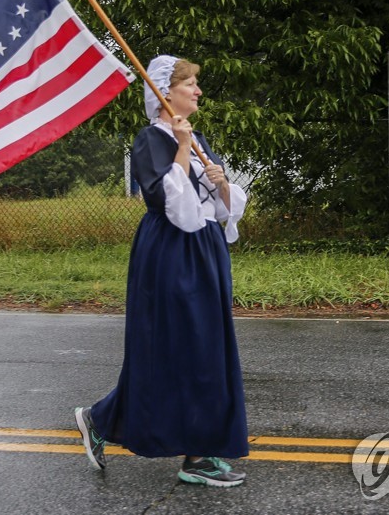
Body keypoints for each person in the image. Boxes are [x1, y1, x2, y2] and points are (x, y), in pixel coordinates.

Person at [75, 55, 249, 487]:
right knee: (176, 349)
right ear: (165, 92)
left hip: (206, 249)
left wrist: (220, 179)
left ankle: (192, 449)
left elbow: (219, 209)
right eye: (191, 84)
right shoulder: (151, 141)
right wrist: (183, 147)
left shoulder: (196, 135)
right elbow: (172, 206)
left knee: (207, 349)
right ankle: (186, 452)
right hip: (172, 253)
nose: (198, 91)